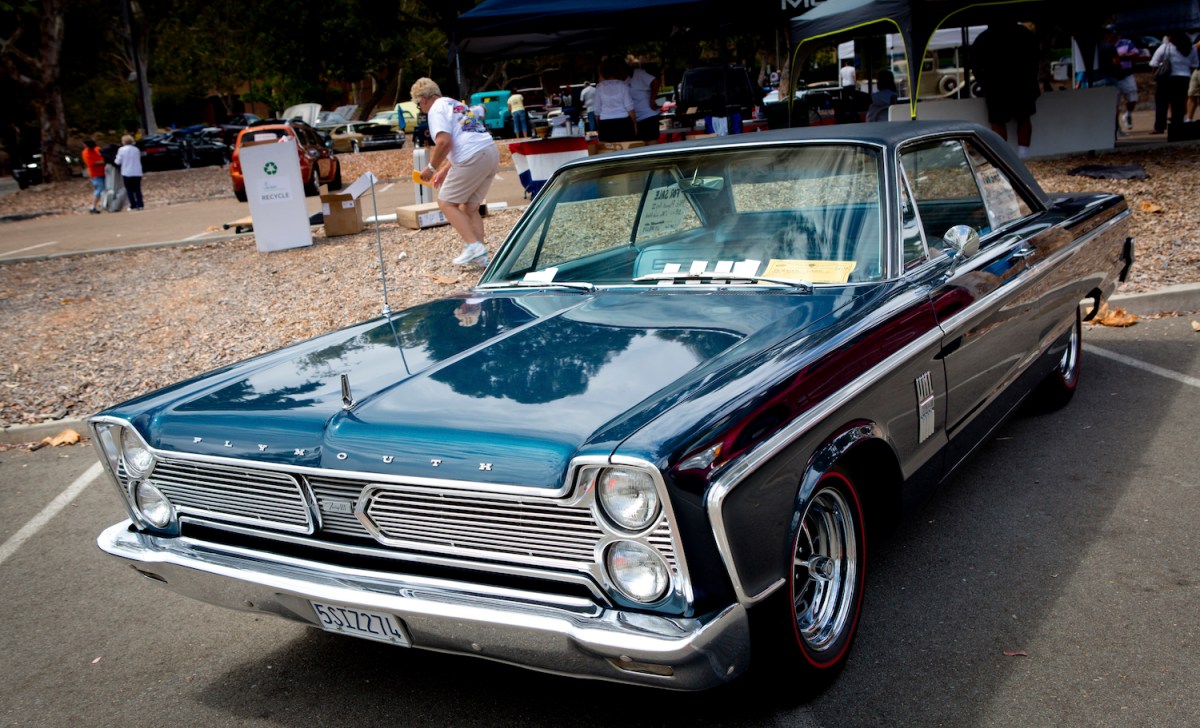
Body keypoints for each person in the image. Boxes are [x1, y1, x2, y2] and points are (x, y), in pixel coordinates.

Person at [412, 77, 500, 267]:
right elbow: (465, 139)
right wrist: (444, 169)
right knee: (469, 207)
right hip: (489, 152)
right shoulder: (454, 104)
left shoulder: (435, 110)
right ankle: (481, 257)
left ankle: (473, 246)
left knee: (446, 202)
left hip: (473, 156)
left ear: (423, 99)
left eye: (419, 105)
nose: (421, 109)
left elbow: (444, 142)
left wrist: (432, 168)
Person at [971, 22, 1041, 158]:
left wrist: (983, 83)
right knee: (1023, 119)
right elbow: (1036, 57)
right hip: (1022, 82)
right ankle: (1022, 156)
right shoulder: (1024, 34)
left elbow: (974, 63)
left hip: (997, 85)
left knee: (999, 122)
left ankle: (1004, 159)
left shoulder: (984, 37)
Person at [1150, 31, 1200, 133]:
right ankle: (1177, 126)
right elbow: (1194, 64)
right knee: (1179, 105)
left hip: (1167, 79)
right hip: (1184, 78)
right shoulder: (1191, 48)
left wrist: (1156, 75)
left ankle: (1159, 127)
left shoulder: (1165, 47)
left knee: (1161, 104)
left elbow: (1154, 63)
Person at [595, 56, 636, 142]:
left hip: (605, 122)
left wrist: (599, 126)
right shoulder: (623, 85)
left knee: (608, 150)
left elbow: (597, 111)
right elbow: (630, 108)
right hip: (623, 122)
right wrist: (635, 124)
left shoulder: (599, 87)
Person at [627, 60, 662, 142]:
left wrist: (652, 100)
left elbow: (655, 82)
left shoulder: (638, 74)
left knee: (651, 144)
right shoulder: (621, 81)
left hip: (648, 116)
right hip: (637, 119)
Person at [113, 134, 144, 210]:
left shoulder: (121, 150)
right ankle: (140, 204)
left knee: (129, 190)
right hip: (137, 172)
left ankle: (133, 205)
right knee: (137, 189)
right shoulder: (136, 149)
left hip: (127, 172)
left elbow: (118, 161)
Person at [81, 139, 106, 214]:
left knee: (104, 188)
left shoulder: (97, 149)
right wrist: (104, 161)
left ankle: (103, 204)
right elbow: (92, 163)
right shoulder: (86, 153)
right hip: (95, 174)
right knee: (100, 188)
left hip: (103, 172)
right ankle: (93, 206)